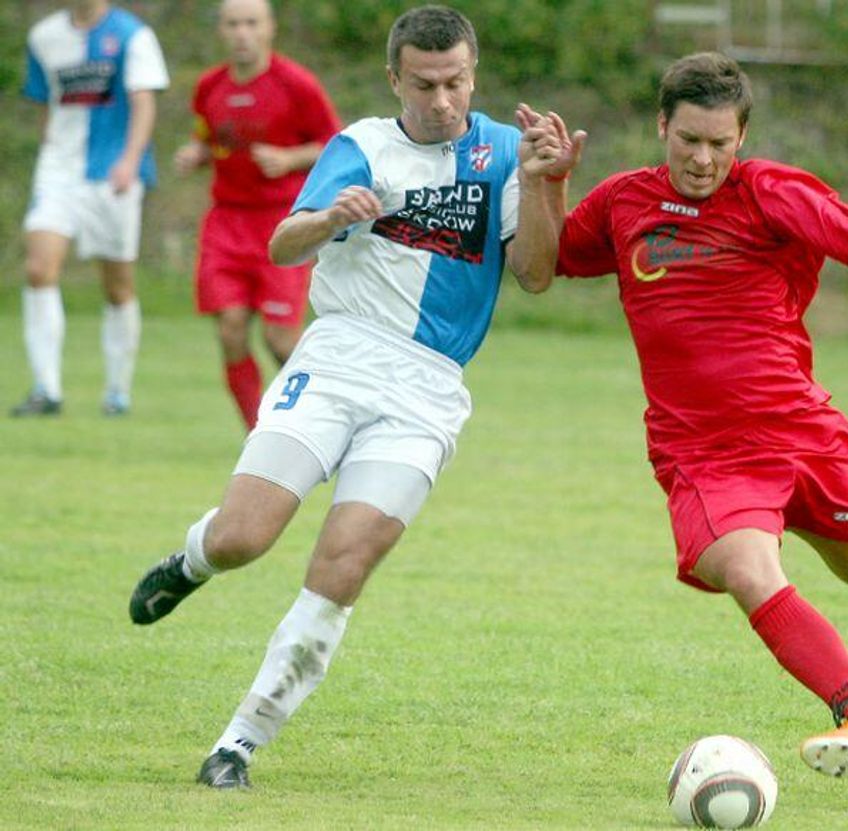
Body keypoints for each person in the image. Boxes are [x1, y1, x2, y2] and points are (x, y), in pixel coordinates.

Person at [522, 52, 848, 777]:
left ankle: (783, 519)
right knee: (747, 568)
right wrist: (548, 184)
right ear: (661, 127)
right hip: (703, 451)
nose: (703, 159)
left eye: (720, 143)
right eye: (688, 141)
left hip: (802, 433)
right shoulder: (624, 202)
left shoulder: (774, 192)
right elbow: (546, 267)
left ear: (741, 138)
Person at [128, 4, 567, 789]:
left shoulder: (504, 151)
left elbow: (535, 272)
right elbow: (283, 243)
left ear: (474, 75)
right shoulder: (361, 145)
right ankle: (192, 559)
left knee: (345, 561)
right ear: (395, 77)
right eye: (426, 85)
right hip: (337, 358)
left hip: (428, 390)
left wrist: (543, 184)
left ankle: (240, 741)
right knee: (243, 538)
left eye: (457, 83)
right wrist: (330, 215)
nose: (443, 101)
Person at [174, 0, 341, 430]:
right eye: (233, 24)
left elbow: (335, 145)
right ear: (221, 32)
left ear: (270, 29)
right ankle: (258, 433)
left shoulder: (296, 85)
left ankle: (330, 415)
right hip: (226, 222)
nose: (242, 33)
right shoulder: (209, 86)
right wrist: (197, 153)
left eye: (251, 23)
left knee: (280, 338)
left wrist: (290, 158)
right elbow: (211, 137)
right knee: (230, 330)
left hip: (281, 222)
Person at [12, 0, 169, 417]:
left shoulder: (133, 35)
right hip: (59, 172)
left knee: (116, 284)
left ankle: (117, 390)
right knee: (38, 269)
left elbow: (143, 103)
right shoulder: (44, 37)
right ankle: (47, 388)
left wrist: (130, 160)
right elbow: (46, 103)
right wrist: (49, 155)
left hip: (112, 174)